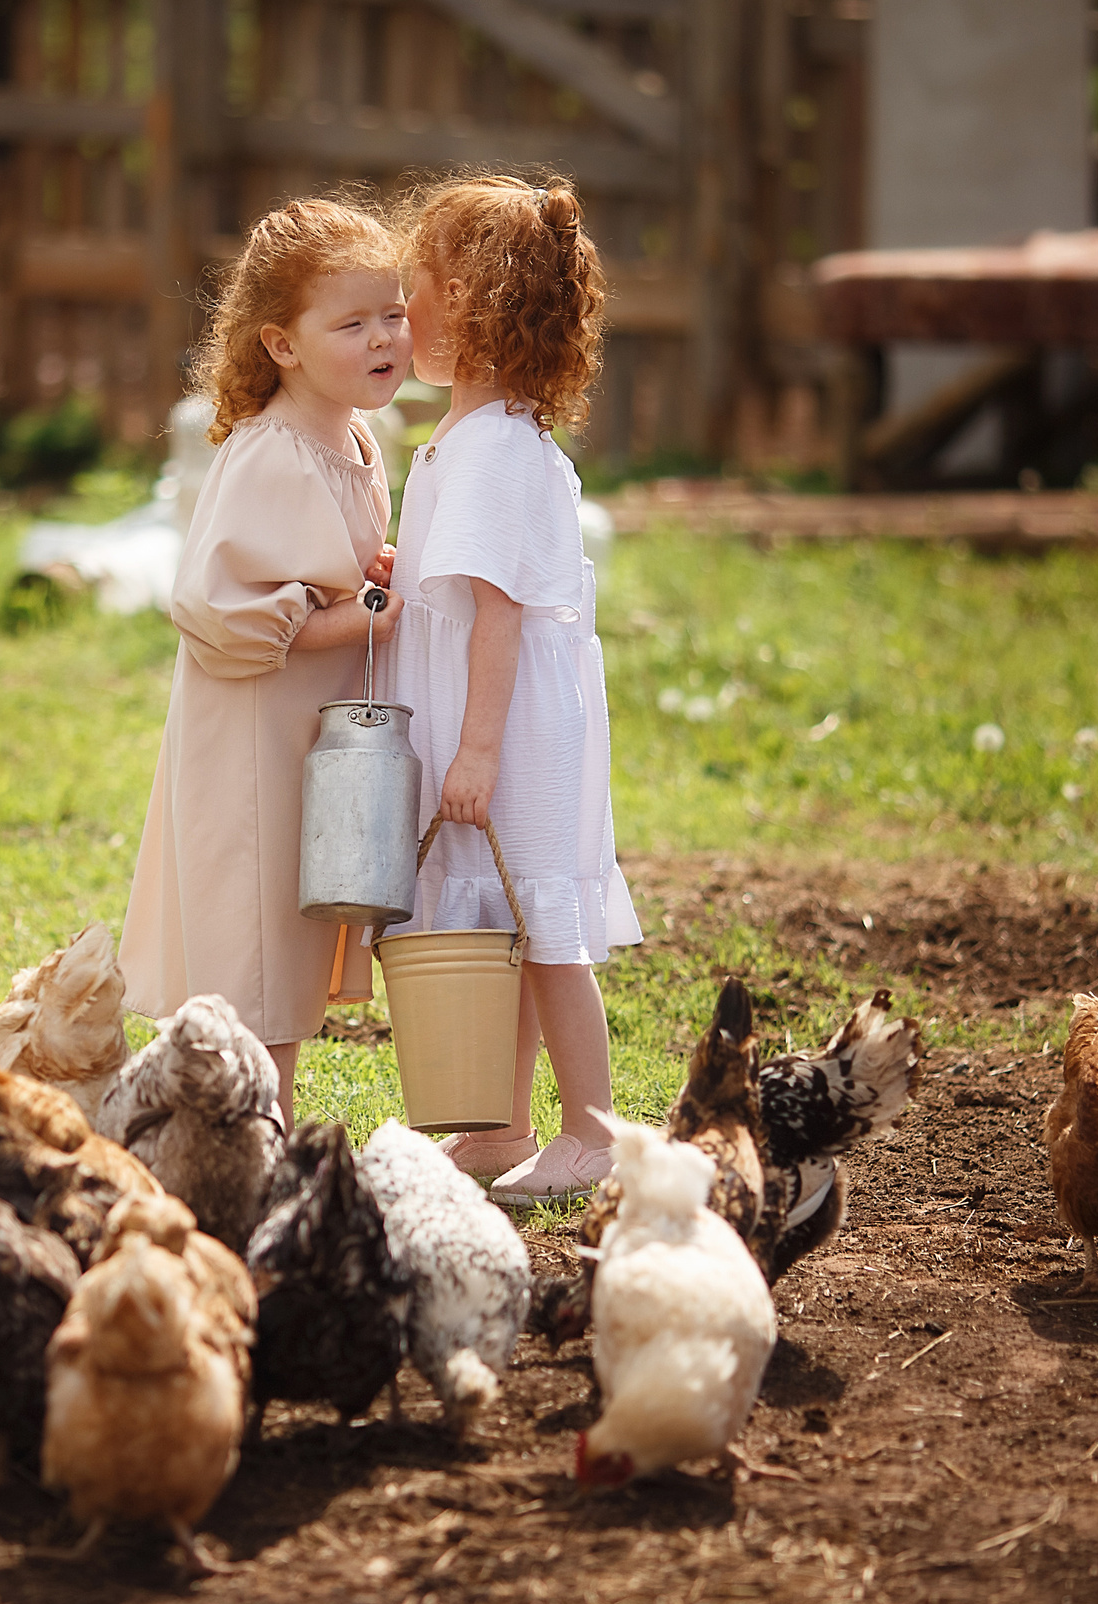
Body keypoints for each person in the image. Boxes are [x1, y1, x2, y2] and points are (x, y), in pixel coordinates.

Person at [120, 199, 410, 1124]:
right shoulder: (270, 452)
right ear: (282, 345)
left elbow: (325, 571)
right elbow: (222, 614)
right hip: (253, 736)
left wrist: (369, 579)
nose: (385, 338)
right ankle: (252, 1132)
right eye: (353, 322)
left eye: (395, 314)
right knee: (253, 936)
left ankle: (252, 1124)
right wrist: (366, 612)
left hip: (308, 731)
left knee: (292, 929)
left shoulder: (355, 440)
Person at [385, 175, 641, 1205]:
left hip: (511, 725)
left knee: (541, 923)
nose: (403, 313)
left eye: (417, 289)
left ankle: (592, 1129)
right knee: (508, 918)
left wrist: (477, 748)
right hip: (504, 709)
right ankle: (497, 1126)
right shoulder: (481, 438)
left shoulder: (492, 447)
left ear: (471, 305)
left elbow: (497, 612)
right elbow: (461, 582)